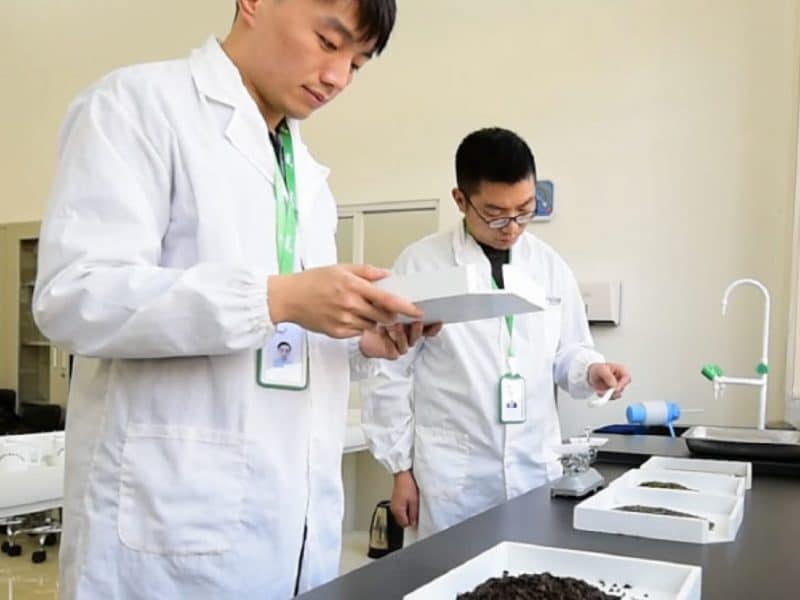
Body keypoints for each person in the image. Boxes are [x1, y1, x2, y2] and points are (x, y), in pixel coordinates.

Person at [32, 1, 440, 598]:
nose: (337, 78)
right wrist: (276, 298)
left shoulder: (305, 173)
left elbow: (280, 345)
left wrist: (357, 340)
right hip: (167, 536)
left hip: (291, 533)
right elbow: (75, 295)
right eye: (329, 42)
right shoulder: (137, 106)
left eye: (357, 63)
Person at [362, 127, 632, 539]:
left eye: (526, 210)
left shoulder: (549, 265)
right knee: (452, 579)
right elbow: (390, 376)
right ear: (461, 200)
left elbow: (569, 351)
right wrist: (400, 469)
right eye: (496, 213)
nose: (513, 227)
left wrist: (591, 370)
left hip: (533, 465)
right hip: (455, 474)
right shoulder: (420, 265)